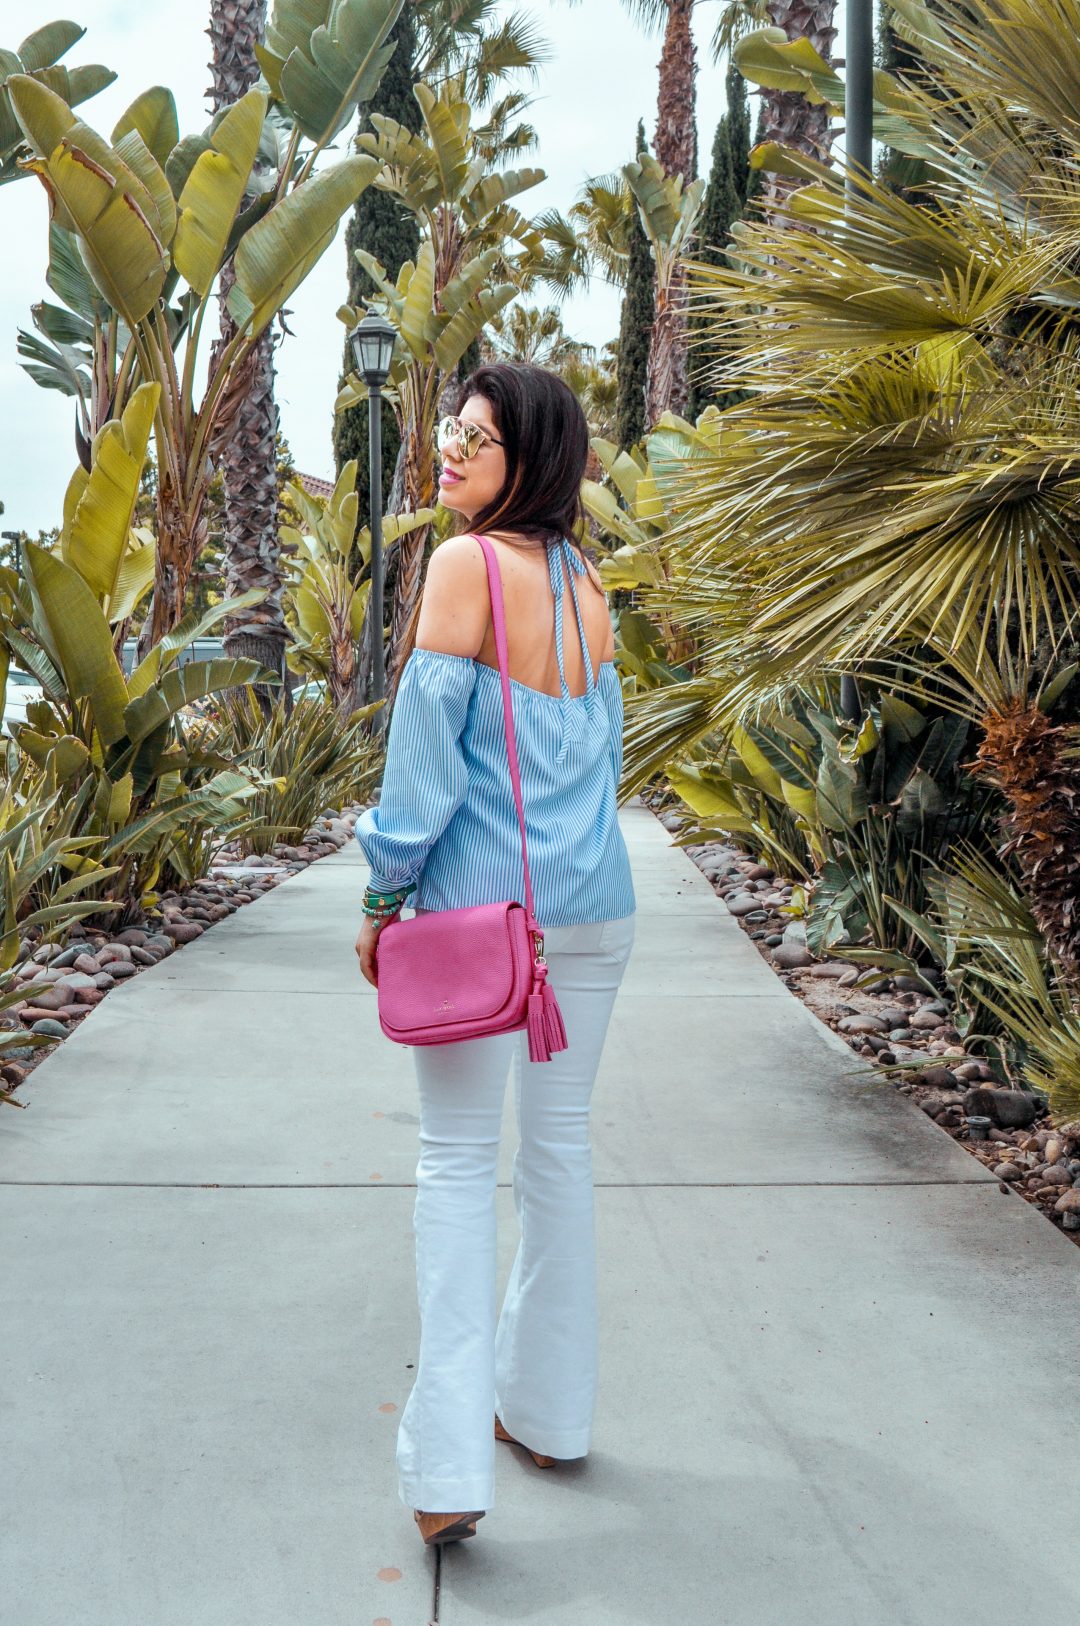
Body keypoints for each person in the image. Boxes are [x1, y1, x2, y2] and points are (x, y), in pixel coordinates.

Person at [353, 361, 636, 1549]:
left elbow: (423, 779)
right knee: (558, 1159)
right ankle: (551, 1417)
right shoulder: (587, 582)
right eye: (448, 432)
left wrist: (380, 893)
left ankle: (447, 1470)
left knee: (460, 1167)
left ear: (531, 455)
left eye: (474, 437)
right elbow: (600, 765)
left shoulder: (463, 566)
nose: (449, 452)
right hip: (594, 916)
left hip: (481, 919)